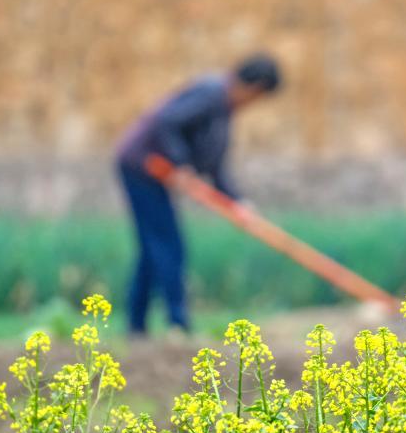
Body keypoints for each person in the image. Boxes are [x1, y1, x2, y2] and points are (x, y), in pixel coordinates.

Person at [115, 53, 283, 334]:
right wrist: (180, 165)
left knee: (153, 249)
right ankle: (177, 323)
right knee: (168, 245)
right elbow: (167, 122)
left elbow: (214, 165)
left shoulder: (222, 108)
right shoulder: (211, 93)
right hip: (142, 166)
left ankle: (136, 326)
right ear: (254, 88)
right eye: (258, 97)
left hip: (152, 170)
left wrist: (237, 202)